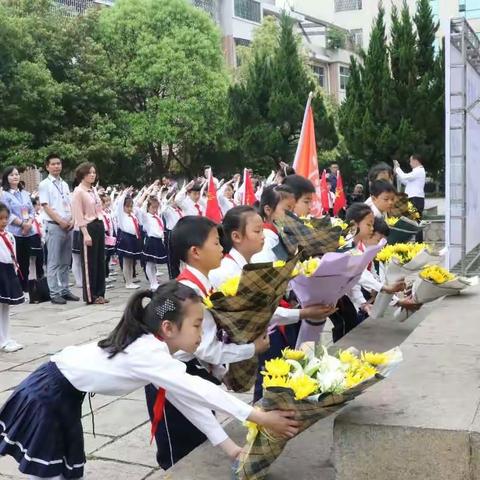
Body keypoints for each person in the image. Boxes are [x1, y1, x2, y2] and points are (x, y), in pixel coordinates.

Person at [0, 282, 300, 479]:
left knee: (62, 471)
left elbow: (187, 399)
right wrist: (259, 416)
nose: (201, 334)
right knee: (50, 472)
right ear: (168, 327)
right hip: (47, 395)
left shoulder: (153, 350)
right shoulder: (149, 353)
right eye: (197, 325)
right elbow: (198, 389)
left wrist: (230, 448)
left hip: (58, 390)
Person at [145, 216, 270, 469]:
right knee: (179, 454)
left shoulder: (202, 284)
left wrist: (219, 371)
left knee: (198, 442)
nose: (222, 248)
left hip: (193, 371)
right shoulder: (188, 292)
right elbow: (206, 347)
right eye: (216, 243)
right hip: (169, 379)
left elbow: (205, 345)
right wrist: (251, 349)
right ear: (195, 252)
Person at [38, 154, 79, 305]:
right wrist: (60, 221)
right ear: (47, 166)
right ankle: (54, 292)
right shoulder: (45, 184)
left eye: (58, 164)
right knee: (53, 261)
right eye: (53, 164)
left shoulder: (64, 184)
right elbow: (46, 206)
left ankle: (64, 289)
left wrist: (72, 219)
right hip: (55, 226)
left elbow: (69, 204)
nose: (56, 166)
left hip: (68, 226)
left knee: (65, 261)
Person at [1, 167, 42, 298]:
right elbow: (7, 213)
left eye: (17, 174)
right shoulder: (4, 195)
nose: (15, 177)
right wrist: (22, 224)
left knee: (25, 261)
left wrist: (29, 223)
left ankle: (25, 288)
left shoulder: (24, 193)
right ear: (6, 177)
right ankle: (17, 289)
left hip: (28, 232)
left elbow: (31, 210)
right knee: (15, 262)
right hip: (15, 232)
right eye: (12, 175)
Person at [71, 163, 107, 305]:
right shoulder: (79, 192)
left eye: (93, 172)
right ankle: (91, 295)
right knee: (89, 262)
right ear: (82, 175)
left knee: (100, 261)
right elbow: (78, 214)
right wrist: (85, 233)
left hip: (98, 224)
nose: (92, 175)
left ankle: (100, 293)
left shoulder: (93, 190)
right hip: (88, 226)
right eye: (89, 173)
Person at [0, 202, 24, 352]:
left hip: (7, 271)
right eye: (0, 218)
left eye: (6, 218)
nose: (3, 221)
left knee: (5, 307)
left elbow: (12, 253)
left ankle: (6, 337)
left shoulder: (8, 235)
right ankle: (2, 340)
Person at [115, 188, 142, 289]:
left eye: (131, 206)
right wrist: (125, 193)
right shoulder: (121, 215)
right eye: (127, 207)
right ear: (123, 207)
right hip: (126, 238)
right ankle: (127, 282)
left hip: (133, 238)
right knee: (126, 261)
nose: (130, 208)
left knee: (131, 261)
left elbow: (139, 201)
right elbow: (119, 204)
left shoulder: (132, 214)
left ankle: (130, 280)